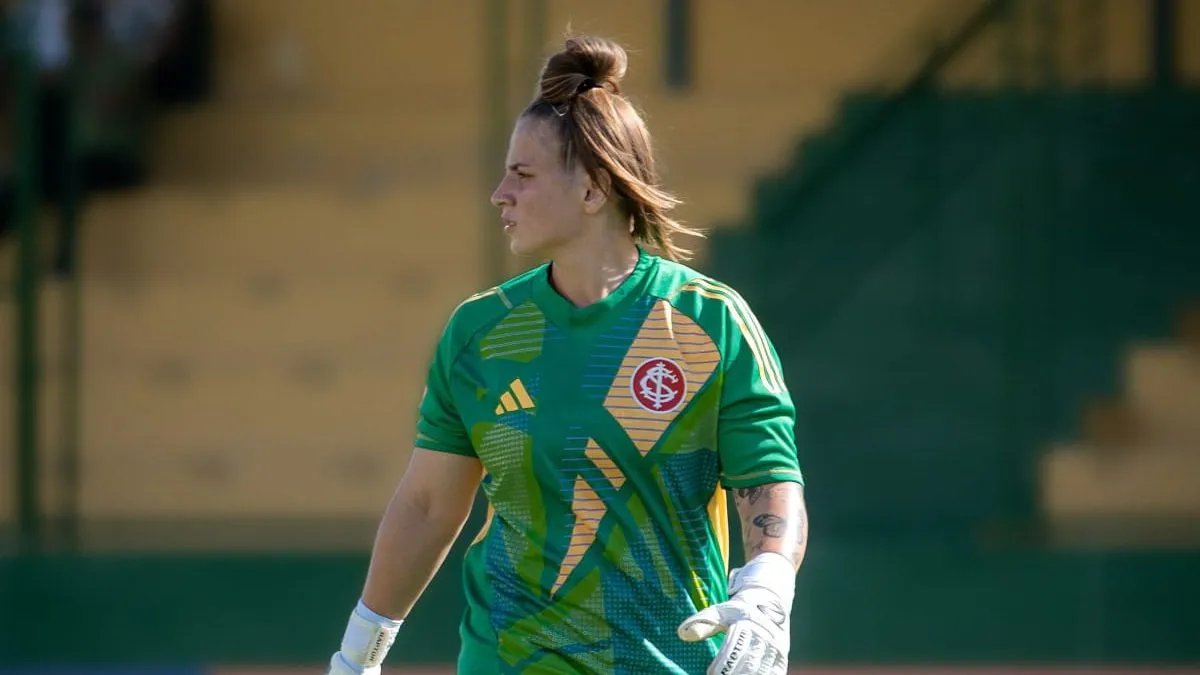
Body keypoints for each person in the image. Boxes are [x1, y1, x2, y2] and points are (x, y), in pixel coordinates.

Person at [327, 35, 808, 675]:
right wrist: (358, 654)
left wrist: (767, 590)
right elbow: (426, 505)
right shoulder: (480, 333)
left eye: (522, 175)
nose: (500, 193)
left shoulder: (709, 322)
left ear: (593, 189)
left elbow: (768, 480)